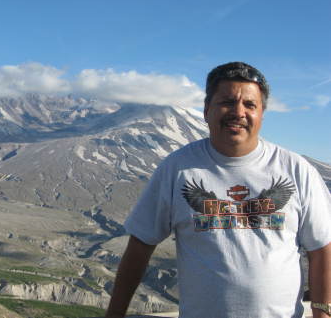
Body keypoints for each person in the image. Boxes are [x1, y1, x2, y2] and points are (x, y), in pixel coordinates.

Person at [105, 62, 331, 318]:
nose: (238, 112)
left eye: (250, 104)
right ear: (206, 110)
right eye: (226, 102)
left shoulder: (296, 170)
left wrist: (322, 312)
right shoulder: (178, 169)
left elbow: (322, 248)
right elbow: (139, 246)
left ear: (262, 114)